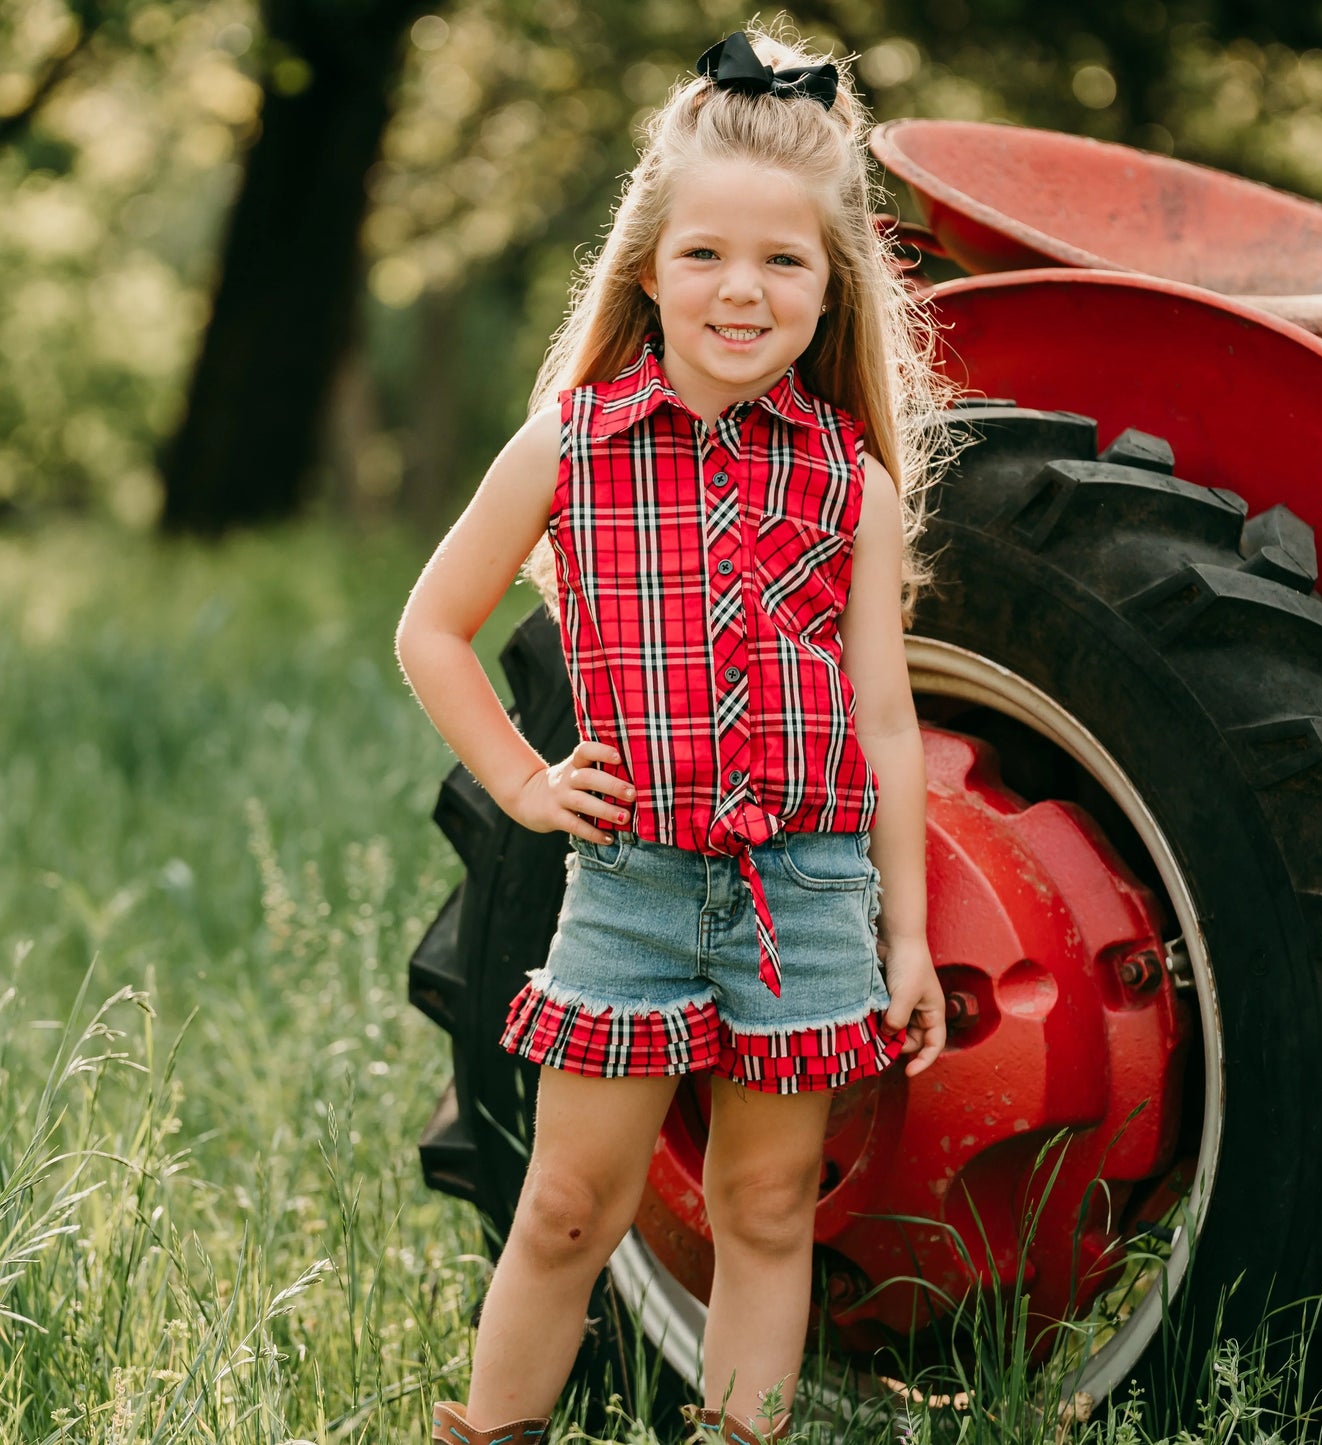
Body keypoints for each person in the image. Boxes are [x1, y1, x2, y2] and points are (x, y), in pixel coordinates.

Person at [396, 22, 957, 1445]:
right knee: (571, 1204)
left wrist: (902, 935)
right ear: (645, 264)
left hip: (807, 895)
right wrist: (523, 785)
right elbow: (429, 629)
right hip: (633, 888)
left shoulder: (852, 486)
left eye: (783, 261)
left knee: (768, 1207)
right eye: (705, 252)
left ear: (831, 291)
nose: (739, 289)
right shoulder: (570, 447)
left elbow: (884, 725)